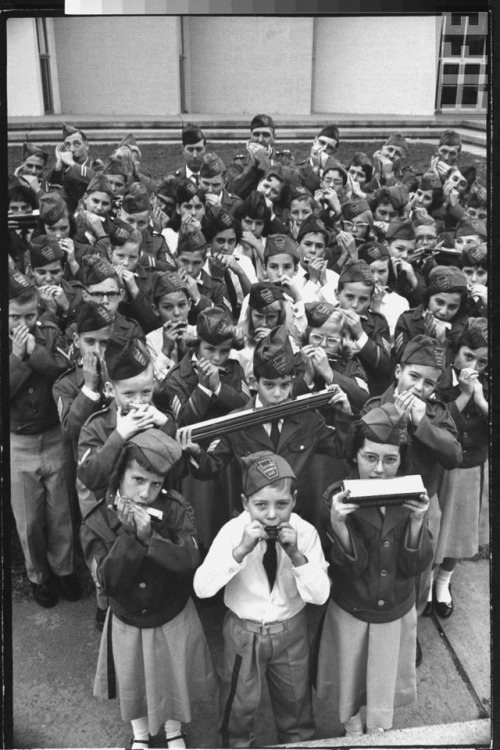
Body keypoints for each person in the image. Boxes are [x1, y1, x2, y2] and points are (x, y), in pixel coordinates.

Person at [80, 428, 216, 750]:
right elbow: (108, 582)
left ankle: (173, 730)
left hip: (171, 612)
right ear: (118, 476)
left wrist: (151, 540)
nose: (145, 493)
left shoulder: (176, 509)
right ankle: (140, 734)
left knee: (172, 676)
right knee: (133, 679)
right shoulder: (96, 521)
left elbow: (190, 559)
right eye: (137, 480)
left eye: (156, 483)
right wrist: (130, 539)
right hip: (127, 618)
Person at [193, 451, 330, 747]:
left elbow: (320, 596)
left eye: (281, 504)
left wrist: (296, 556)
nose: (271, 515)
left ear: (294, 500)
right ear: (245, 503)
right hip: (244, 632)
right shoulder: (232, 532)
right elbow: (202, 588)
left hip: (290, 631)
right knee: (237, 708)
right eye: (260, 505)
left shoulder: (305, 533)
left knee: (296, 707)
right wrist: (239, 551)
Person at [313, 404, 433, 736]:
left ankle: (378, 730)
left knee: (382, 677)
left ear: (401, 460)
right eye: (370, 458)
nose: (379, 470)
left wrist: (418, 521)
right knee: (349, 674)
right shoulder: (335, 498)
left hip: (394, 608)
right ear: (355, 455)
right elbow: (350, 568)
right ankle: (352, 724)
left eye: (390, 460)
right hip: (353, 605)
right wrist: (338, 525)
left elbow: (415, 565)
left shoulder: (413, 496)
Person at [9, 269, 80, 608]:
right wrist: (18, 359)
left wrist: (35, 350)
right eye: (14, 316)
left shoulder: (49, 333)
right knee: (29, 519)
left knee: (60, 510)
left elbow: (66, 370)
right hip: (18, 442)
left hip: (53, 436)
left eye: (30, 314)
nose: (22, 323)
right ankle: (38, 575)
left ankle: (64, 569)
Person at [430, 318, 489, 617]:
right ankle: (428, 580)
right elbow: (439, 424)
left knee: (459, 530)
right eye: (468, 356)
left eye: (482, 361)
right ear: (455, 352)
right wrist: (465, 396)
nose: (474, 367)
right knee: (435, 527)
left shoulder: (487, 385)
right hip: (440, 466)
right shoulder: (439, 380)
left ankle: (443, 582)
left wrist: (481, 399)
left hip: (470, 467)